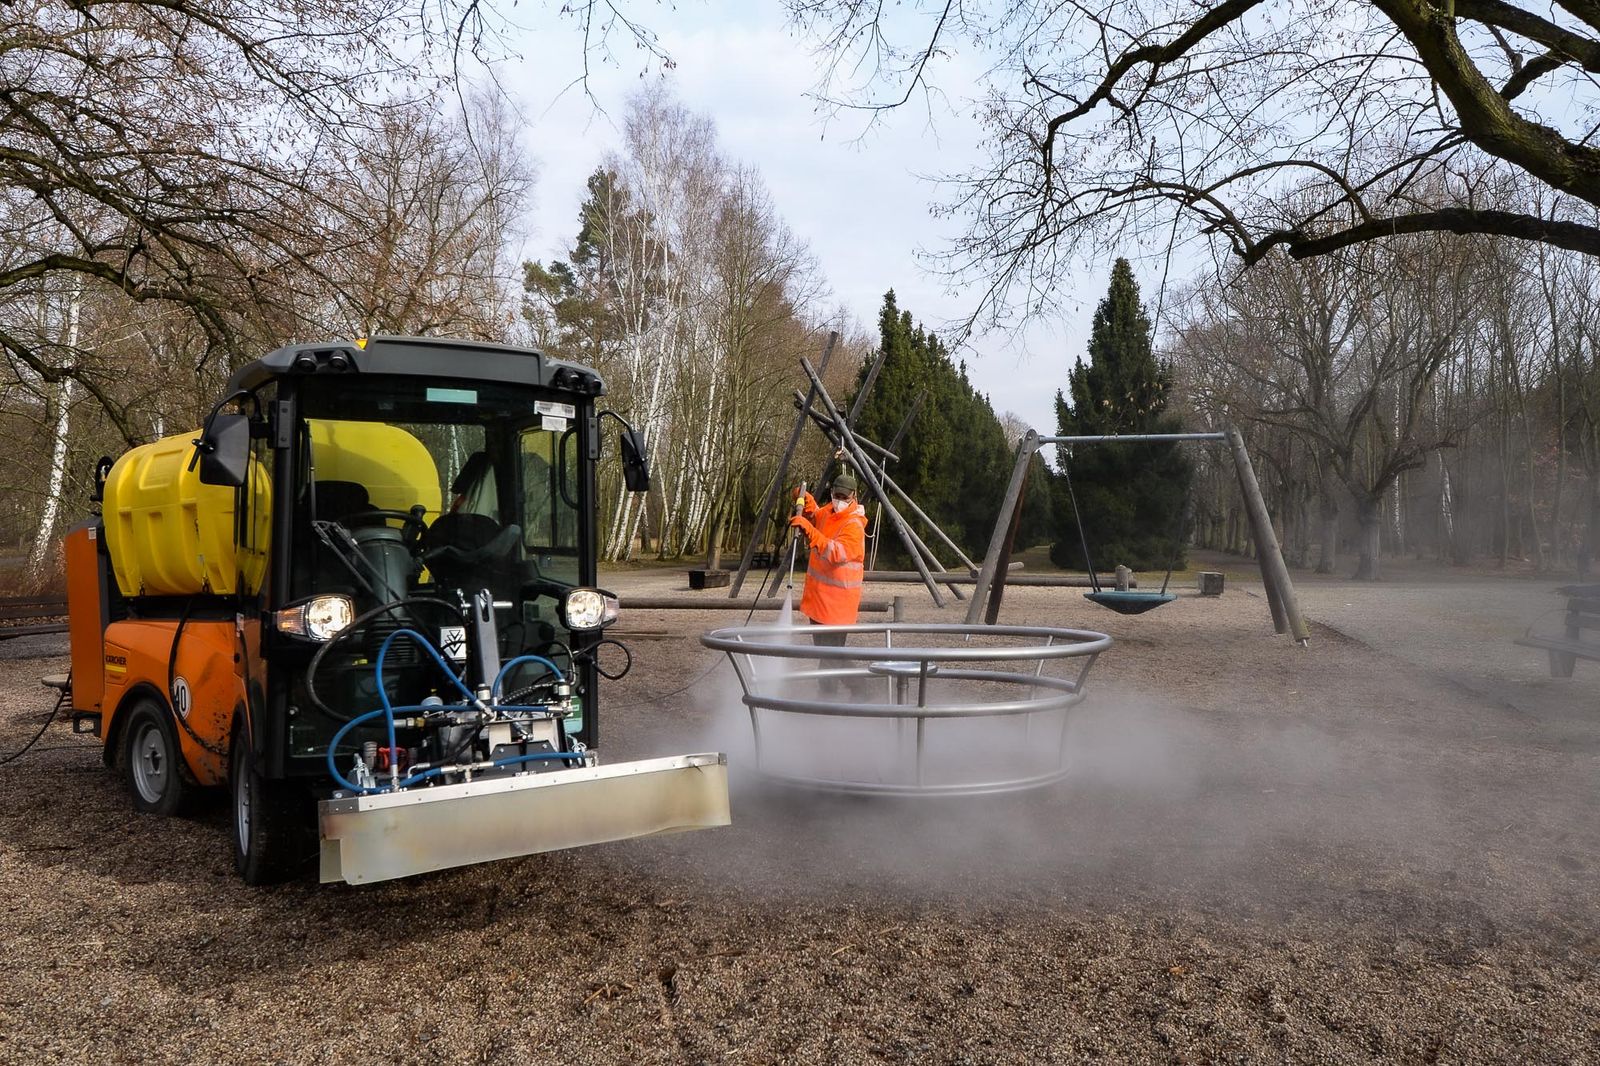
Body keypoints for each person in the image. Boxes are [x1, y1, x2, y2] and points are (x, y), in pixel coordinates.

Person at [789, 473, 869, 651]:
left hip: (838, 606)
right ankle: (857, 680)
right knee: (830, 657)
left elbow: (837, 553)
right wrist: (804, 499)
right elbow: (817, 514)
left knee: (832, 658)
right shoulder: (828, 512)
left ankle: (859, 680)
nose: (839, 500)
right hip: (820, 601)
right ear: (832, 492)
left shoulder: (853, 525)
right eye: (836, 496)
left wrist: (809, 530)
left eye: (844, 497)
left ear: (853, 496)